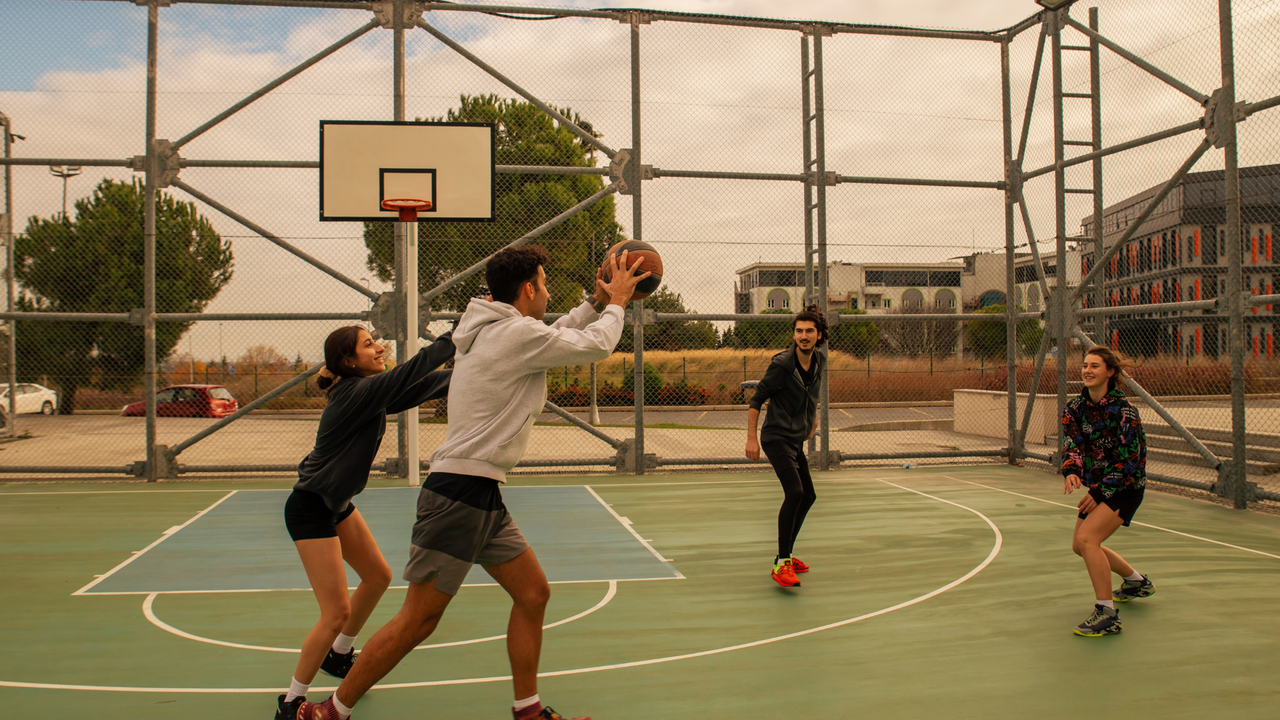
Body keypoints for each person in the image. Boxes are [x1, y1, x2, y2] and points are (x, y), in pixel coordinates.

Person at [298, 244, 650, 720]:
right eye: (544, 284)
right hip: (459, 495)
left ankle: (527, 710)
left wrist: (594, 300)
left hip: (478, 493)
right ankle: (330, 712)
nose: (546, 292)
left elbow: (552, 333)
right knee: (418, 619)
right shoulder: (510, 334)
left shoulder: (499, 329)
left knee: (533, 594)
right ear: (528, 290)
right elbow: (594, 344)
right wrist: (617, 304)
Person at [276, 326, 455, 720]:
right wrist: (453, 338)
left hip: (336, 505)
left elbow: (425, 385)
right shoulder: (355, 393)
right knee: (335, 612)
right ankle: (290, 702)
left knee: (377, 576)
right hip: (310, 508)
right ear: (348, 361)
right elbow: (411, 373)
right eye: (368, 345)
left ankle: (339, 655)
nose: (379, 348)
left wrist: (482, 369)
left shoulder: (369, 393)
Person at [1061, 345, 1154, 638]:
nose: (1087, 370)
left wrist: (1100, 493)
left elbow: (1129, 462)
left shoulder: (1126, 412)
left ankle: (1107, 614)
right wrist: (1073, 470)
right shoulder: (1074, 409)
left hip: (1126, 487)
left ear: (1110, 372)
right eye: (1085, 365)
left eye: (1095, 366)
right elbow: (1073, 445)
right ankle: (1136, 582)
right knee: (1080, 545)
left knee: (1088, 539)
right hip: (1101, 488)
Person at [745, 305, 826, 588]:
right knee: (795, 492)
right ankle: (781, 563)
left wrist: (812, 419)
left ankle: (786, 556)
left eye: (809, 331)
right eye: (798, 331)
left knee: (809, 496)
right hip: (775, 437)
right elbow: (757, 400)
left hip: (794, 438)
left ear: (819, 335)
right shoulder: (782, 365)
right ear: (794, 334)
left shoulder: (819, 361)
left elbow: (812, 394)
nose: (803, 336)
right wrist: (751, 438)